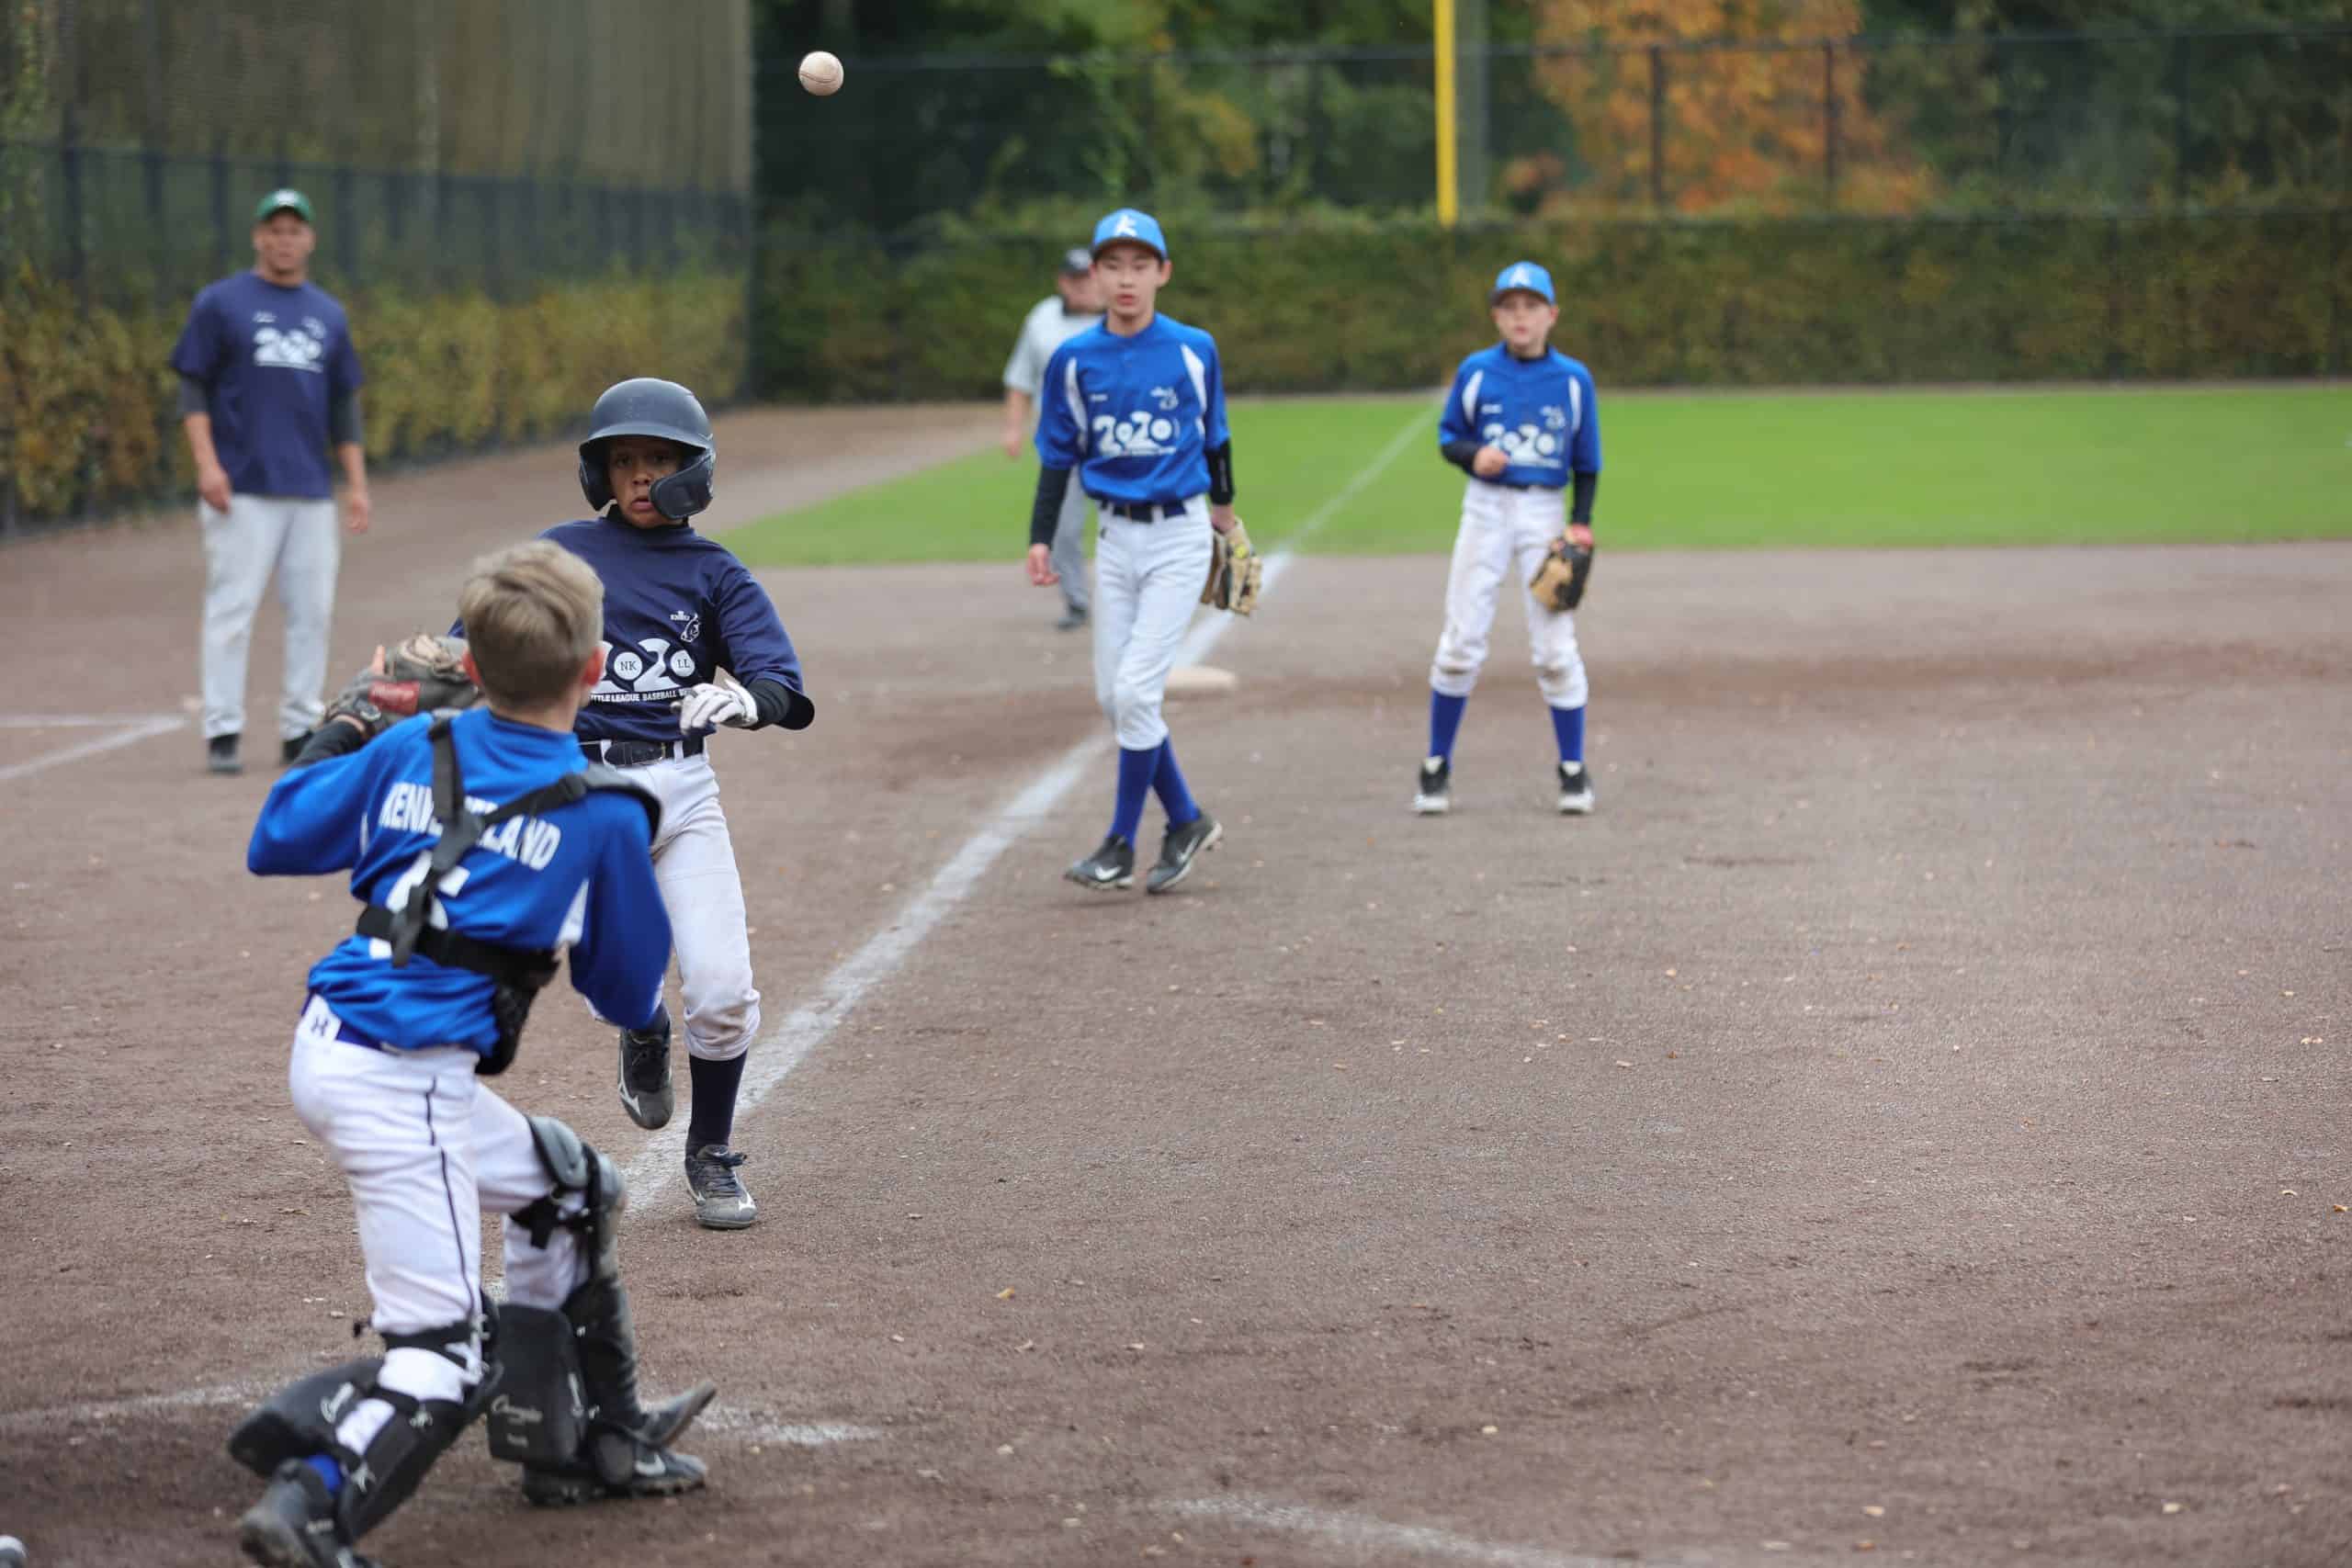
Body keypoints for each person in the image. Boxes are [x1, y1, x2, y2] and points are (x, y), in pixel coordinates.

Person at [231, 541, 711, 1568]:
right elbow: (621, 988)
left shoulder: (418, 740)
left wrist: (354, 719)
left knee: (568, 1189)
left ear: (474, 667)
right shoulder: (603, 810)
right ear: (594, 671)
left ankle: (576, 1441)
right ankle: (311, 1504)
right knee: (442, 1356)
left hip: (341, 1043)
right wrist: (634, 994)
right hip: (399, 1078)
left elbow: (276, 836)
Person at [521, 378, 816, 1230]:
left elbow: (782, 683)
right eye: (625, 461)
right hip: (581, 793)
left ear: (696, 471)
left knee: (722, 991)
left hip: (683, 792)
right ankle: (643, 1027)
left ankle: (711, 1150)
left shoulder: (713, 570)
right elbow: (481, 647)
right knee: (609, 977)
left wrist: (748, 700)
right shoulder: (560, 556)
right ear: (600, 476)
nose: (642, 476)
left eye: (660, 460)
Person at [1026, 209, 1238, 895]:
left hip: (1179, 534)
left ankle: (1120, 843)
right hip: (1114, 539)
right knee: (1116, 698)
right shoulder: (1074, 359)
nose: (1126, 279)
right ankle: (1187, 819)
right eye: (1113, 265)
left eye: (1140, 265)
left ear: (1163, 273)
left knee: (1135, 691)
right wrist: (1040, 537)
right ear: (1094, 275)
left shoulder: (1193, 348)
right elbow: (1058, 455)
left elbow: (1216, 437)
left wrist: (1225, 518)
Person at [172, 187, 371, 776]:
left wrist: (356, 484)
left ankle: (298, 728)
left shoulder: (327, 314)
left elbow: (343, 407)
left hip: (309, 490)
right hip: (242, 487)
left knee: (313, 612)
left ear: (310, 240)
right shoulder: (221, 303)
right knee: (232, 608)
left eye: (294, 230)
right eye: (275, 230)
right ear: (259, 237)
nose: (285, 240)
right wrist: (207, 464)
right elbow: (192, 389)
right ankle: (222, 728)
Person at [1413, 261, 1602, 818]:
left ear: (1552, 315)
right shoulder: (1477, 371)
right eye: (1510, 307)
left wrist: (1580, 522)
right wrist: (1474, 455)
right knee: (1460, 643)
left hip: (1545, 513)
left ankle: (1573, 768)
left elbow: (1587, 461)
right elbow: (1449, 438)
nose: (1521, 317)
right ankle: (1436, 764)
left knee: (1555, 648)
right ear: (1496, 316)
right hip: (1486, 509)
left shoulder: (1573, 380)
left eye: (1531, 307)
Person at [1002, 247, 1105, 631]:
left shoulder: (1121, 316)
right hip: (1063, 443)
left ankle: (1135, 595)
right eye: (1075, 279)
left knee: (1127, 523)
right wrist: (1014, 428)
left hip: (1114, 442)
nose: (1083, 286)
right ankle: (1077, 601)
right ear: (1063, 281)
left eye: (1088, 277)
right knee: (1062, 528)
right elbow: (1020, 379)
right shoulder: (1042, 318)